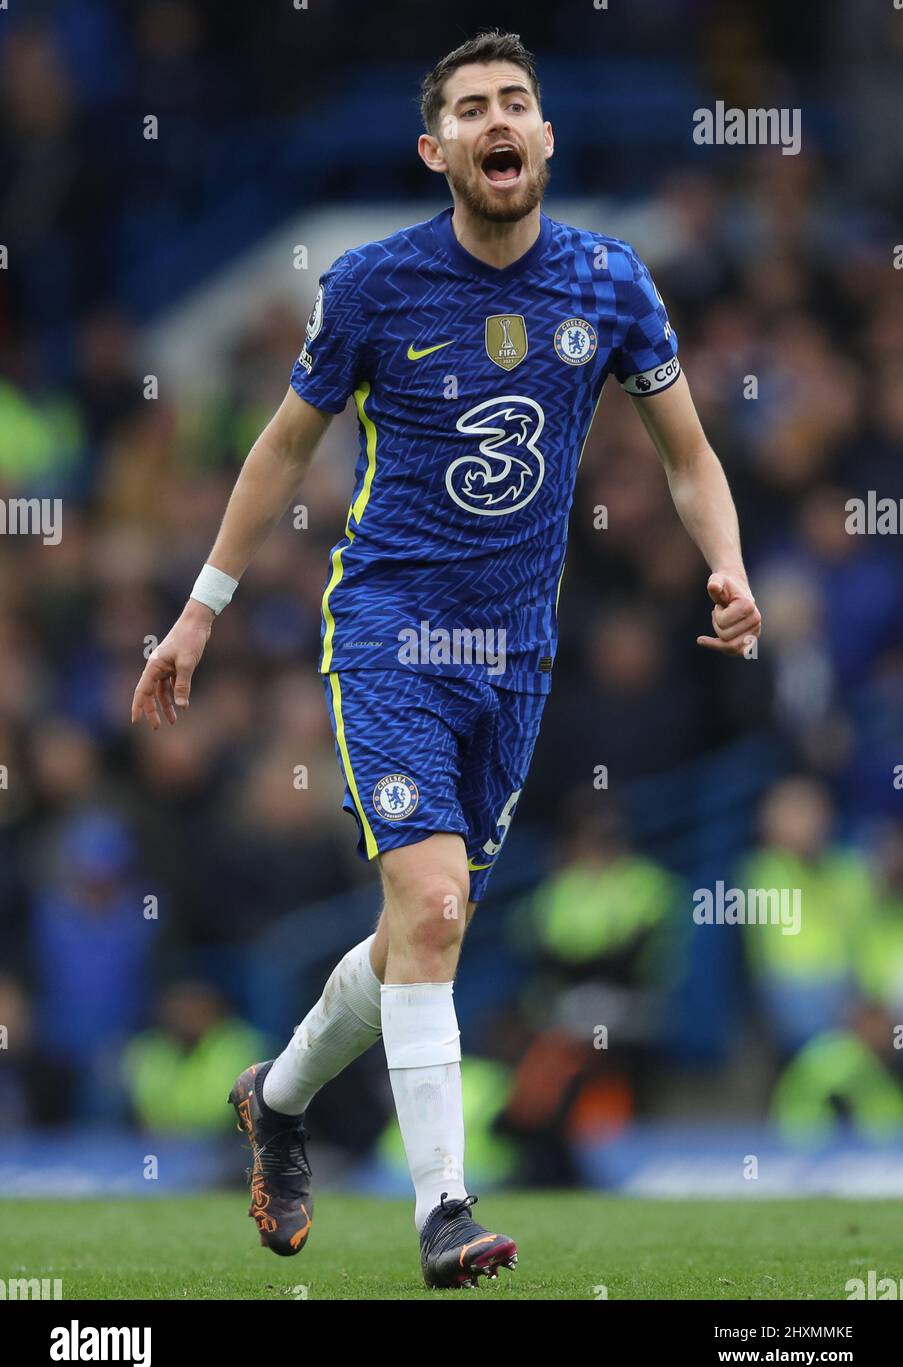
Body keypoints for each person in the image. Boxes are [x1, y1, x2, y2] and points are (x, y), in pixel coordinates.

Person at [130, 30, 761, 1289]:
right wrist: (200, 610)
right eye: (470, 108)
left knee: (419, 934)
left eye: (515, 102)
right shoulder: (371, 287)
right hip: (389, 634)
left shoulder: (608, 284)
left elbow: (690, 457)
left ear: (542, 135)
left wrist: (729, 567)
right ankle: (445, 1212)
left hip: (516, 661)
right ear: (437, 151)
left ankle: (279, 1095)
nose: (496, 121)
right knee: (432, 912)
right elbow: (278, 451)